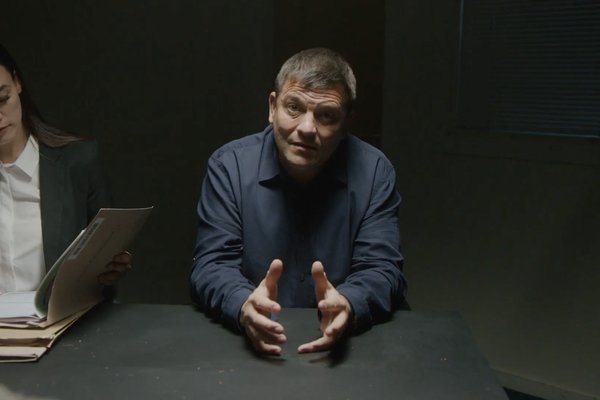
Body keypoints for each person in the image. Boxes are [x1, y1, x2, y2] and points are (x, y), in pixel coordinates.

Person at [191, 48, 406, 355]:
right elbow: (212, 265)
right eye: (294, 107)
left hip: (350, 346)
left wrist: (349, 302)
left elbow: (382, 268)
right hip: (250, 342)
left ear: (347, 122)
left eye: (326, 115)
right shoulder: (229, 166)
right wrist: (242, 303)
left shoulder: (374, 172)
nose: (306, 128)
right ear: (272, 107)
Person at [0, 43, 130, 295]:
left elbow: (106, 250)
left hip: (58, 316)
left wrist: (113, 265)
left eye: (3, 99)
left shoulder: (77, 162)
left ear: (17, 83)